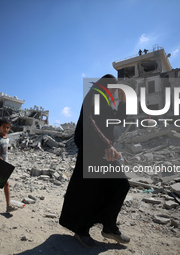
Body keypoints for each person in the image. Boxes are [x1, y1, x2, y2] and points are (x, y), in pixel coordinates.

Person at [59, 74, 130, 248]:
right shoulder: (95, 94)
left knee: (121, 185)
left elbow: (117, 120)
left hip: (104, 152)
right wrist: (107, 144)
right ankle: (82, 230)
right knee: (89, 191)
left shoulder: (106, 102)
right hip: (93, 150)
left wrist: (124, 102)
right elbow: (90, 121)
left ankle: (109, 227)